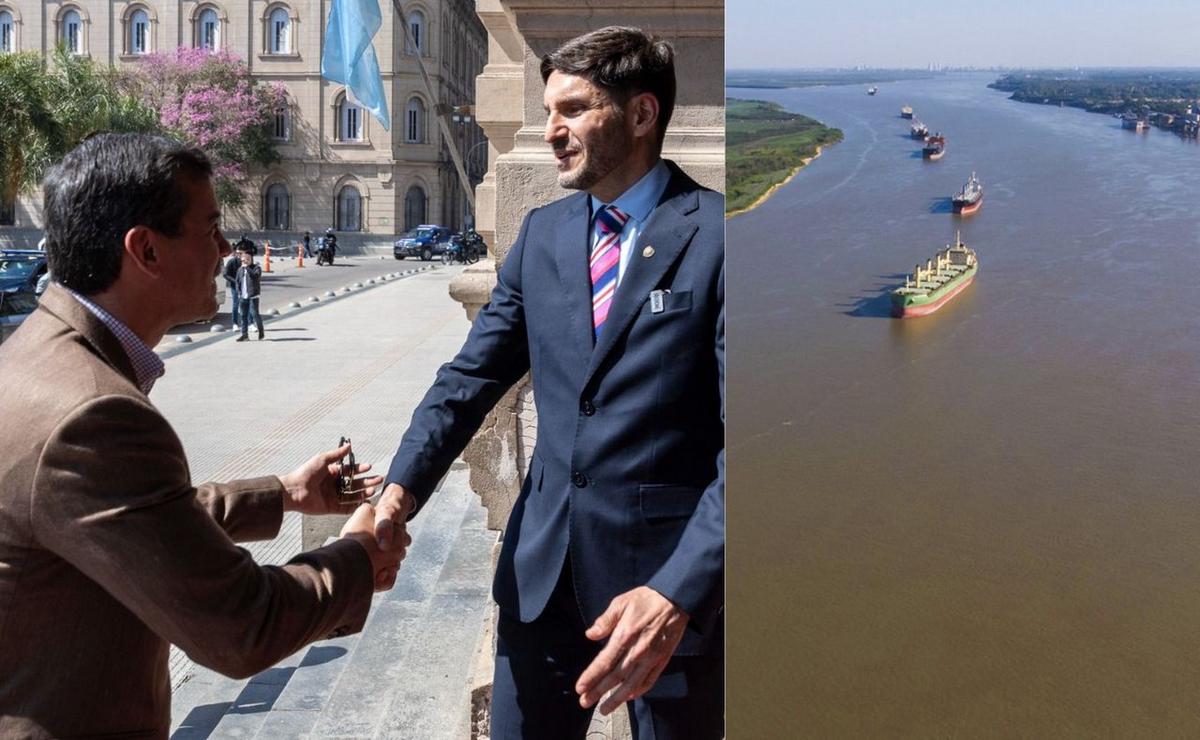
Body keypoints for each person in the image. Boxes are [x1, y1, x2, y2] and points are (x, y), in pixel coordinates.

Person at [375, 26, 723, 740]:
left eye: (571, 110)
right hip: (541, 584)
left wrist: (679, 589)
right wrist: (397, 494)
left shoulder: (721, 237)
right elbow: (469, 379)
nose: (551, 132)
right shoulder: (544, 236)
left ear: (641, 114)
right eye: (545, 113)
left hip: (663, 601)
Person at [0, 133, 409, 738]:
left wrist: (285, 494)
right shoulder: (94, 414)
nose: (224, 249)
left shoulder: (38, 351)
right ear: (146, 250)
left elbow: (128, 516)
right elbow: (239, 626)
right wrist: (356, 557)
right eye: (210, 228)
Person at [236, 246, 265, 341]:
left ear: (251, 259)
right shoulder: (240, 270)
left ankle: (261, 331)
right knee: (243, 316)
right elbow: (237, 282)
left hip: (253, 296)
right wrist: (239, 293)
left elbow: (255, 277)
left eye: (248, 259)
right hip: (243, 296)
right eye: (244, 259)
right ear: (242, 259)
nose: (246, 261)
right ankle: (244, 335)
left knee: (255, 314)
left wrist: (247, 268)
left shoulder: (256, 268)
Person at [223, 243, 242, 325]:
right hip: (235, 287)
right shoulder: (232, 262)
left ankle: (249, 323)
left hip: (246, 286)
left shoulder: (247, 261)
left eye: (241, 253)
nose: (240, 255)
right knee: (236, 304)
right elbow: (225, 274)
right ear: (235, 253)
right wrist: (235, 281)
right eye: (238, 253)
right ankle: (235, 323)